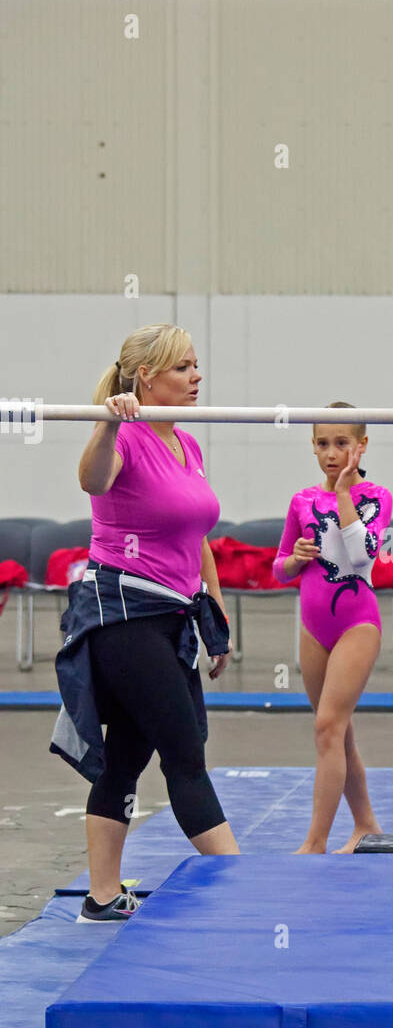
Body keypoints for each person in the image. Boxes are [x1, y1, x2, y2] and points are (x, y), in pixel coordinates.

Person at [50, 324, 240, 923]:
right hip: (125, 616)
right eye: (183, 368)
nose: (196, 377)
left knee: (128, 755)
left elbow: (195, 533)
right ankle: (243, 888)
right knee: (185, 755)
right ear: (146, 378)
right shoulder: (124, 437)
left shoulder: (189, 444)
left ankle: (102, 899)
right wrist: (108, 421)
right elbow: (90, 479)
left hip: (172, 615)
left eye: (195, 365)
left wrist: (214, 601)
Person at [272, 403, 393, 853]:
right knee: (338, 732)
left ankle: (315, 842)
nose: (331, 453)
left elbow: (363, 557)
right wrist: (295, 558)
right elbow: (278, 570)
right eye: (323, 443)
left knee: (327, 727)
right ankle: (365, 824)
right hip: (313, 626)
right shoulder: (301, 501)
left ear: (361, 446)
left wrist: (343, 495)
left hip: (357, 624)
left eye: (342, 443)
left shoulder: (377, 496)